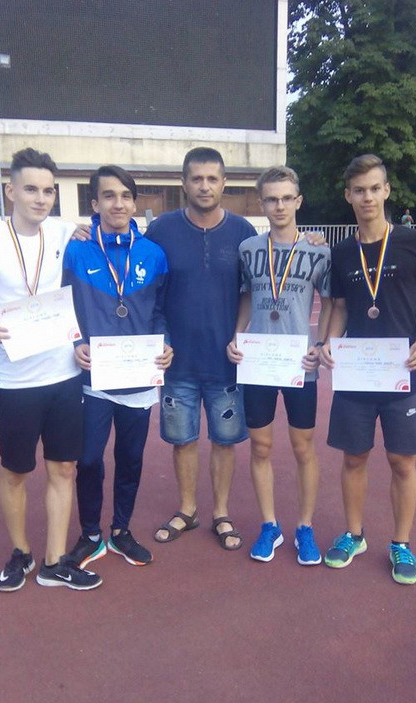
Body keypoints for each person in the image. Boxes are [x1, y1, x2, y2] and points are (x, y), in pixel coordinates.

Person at [0, 148, 102, 591]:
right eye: (31, 189)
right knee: (16, 471)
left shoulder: (64, 231)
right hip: (15, 382)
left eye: (49, 191)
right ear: (10, 191)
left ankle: (54, 561)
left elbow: (103, 227)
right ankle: (21, 552)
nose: (41, 198)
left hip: (64, 376)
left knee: (64, 469)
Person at [320, 154, 416, 585]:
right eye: (359, 190)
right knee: (354, 458)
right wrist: (329, 342)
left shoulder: (413, 242)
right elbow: (339, 307)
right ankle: (354, 535)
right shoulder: (341, 252)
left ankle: (401, 543)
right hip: (356, 373)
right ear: (348, 196)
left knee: (401, 461)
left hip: (402, 371)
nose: (367, 197)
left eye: (375, 188)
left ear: (386, 191)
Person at [144, 147, 255, 550]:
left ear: (224, 183)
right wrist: (84, 230)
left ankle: (221, 512)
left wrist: (240, 333)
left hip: (226, 362)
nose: (204, 186)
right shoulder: (161, 230)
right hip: (177, 362)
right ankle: (187, 509)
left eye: (212, 179)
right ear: (184, 183)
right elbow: (148, 290)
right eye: (197, 178)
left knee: (225, 440)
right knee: (183, 440)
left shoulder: (243, 232)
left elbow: (251, 290)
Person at [62, 165, 172, 569]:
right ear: (95, 203)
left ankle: (121, 531)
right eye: (109, 195)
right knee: (89, 459)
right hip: (93, 377)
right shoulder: (76, 250)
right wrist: (75, 341)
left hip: (139, 376)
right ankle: (90, 534)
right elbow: (61, 305)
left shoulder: (153, 254)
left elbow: (161, 311)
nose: (118, 203)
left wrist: (166, 343)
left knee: (130, 459)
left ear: (135, 203)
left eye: (126, 195)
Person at [227, 166, 332, 564]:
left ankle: (305, 527)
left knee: (303, 447)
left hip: (299, 363)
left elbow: (330, 303)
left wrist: (320, 344)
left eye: (287, 198)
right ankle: (269, 525)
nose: (280, 205)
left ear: (298, 201)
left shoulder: (318, 251)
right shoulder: (248, 249)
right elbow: (246, 297)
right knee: (261, 445)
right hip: (257, 362)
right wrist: (236, 335)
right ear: (262, 203)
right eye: (272, 199)